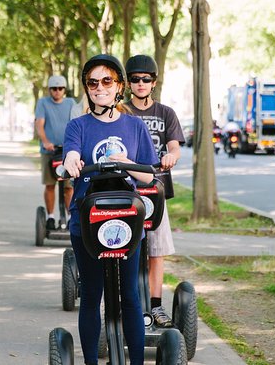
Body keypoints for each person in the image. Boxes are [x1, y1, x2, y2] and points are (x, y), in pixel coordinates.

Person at [63, 54, 158, 365]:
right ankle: (91, 360)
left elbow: (147, 174)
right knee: (91, 294)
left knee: (130, 295)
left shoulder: (134, 126)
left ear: (119, 86)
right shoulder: (77, 125)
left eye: (107, 81)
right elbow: (71, 155)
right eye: (93, 82)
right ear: (86, 88)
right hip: (87, 220)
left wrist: (124, 162)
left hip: (127, 220)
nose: (99, 87)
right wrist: (71, 162)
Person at [123, 54, 184, 328]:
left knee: (155, 252)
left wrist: (171, 156)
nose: (140, 84)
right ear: (127, 83)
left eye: (145, 79)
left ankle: (156, 307)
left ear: (154, 82)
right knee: (125, 248)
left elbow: (174, 146)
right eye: (135, 79)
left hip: (156, 192)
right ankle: (128, 305)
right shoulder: (122, 112)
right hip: (127, 191)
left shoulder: (165, 113)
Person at [34, 75, 76, 229]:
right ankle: (51, 217)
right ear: (49, 90)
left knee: (68, 186)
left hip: (68, 152)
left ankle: (70, 217)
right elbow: (39, 123)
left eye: (60, 89)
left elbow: (76, 122)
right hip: (49, 152)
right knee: (50, 184)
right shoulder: (43, 103)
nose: (57, 92)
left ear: (64, 90)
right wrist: (46, 141)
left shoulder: (71, 103)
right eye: (54, 89)